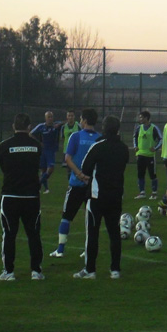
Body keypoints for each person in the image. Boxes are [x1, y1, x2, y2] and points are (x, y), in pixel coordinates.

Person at [74, 116, 129, 280]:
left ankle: (90, 270)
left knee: (92, 234)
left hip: (97, 196)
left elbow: (85, 168)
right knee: (114, 234)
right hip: (116, 196)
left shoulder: (98, 146)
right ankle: (115, 270)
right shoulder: (124, 148)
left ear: (104, 129)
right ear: (117, 129)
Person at [0, 113, 45, 281]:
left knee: (9, 234)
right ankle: (36, 271)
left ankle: (8, 272)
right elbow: (40, 166)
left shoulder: (4, 146)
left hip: (10, 195)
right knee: (34, 234)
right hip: (31, 196)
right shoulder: (37, 146)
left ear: (13, 126)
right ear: (29, 127)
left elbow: (3, 168)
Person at [49, 109, 101, 258]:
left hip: (76, 183)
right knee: (90, 219)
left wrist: (79, 174)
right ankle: (88, 250)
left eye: (81, 118)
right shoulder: (99, 138)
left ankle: (60, 249)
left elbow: (68, 158)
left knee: (66, 217)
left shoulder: (76, 136)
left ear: (84, 120)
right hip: (92, 185)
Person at [30, 111, 63, 194]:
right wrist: (38, 142)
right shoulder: (41, 126)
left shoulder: (56, 125)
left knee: (50, 169)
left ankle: (38, 184)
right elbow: (31, 134)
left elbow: (66, 122)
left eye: (51, 117)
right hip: (43, 151)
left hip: (51, 151)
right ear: (45, 118)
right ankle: (46, 189)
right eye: (49, 117)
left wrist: (60, 124)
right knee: (43, 170)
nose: (50, 118)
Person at [133, 110, 162, 200]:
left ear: (146, 118)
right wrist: (135, 146)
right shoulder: (139, 128)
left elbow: (161, 139)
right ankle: (142, 193)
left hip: (150, 155)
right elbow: (135, 137)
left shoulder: (154, 128)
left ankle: (154, 193)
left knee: (152, 174)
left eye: (141, 117)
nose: (140, 119)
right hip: (140, 154)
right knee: (140, 174)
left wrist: (155, 148)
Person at [61, 109, 81, 179]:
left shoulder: (78, 126)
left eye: (72, 116)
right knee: (68, 169)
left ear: (74, 117)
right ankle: (70, 183)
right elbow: (63, 138)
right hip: (67, 151)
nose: (70, 117)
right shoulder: (63, 127)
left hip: (76, 151)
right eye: (69, 116)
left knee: (76, 168)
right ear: (67, 117)